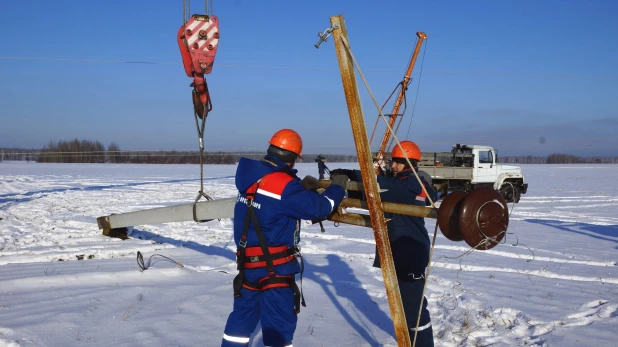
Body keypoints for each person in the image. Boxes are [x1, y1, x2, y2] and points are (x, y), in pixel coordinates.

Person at [221, 128, 348, 347]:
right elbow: (320, 207)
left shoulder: (249, 178)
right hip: (275, 271)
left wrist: (298, 190)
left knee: (239, 325)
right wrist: (337, 187)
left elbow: (271, 206)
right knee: (279, 331)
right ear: (292, 159)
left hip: (247, 269)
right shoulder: (283, 186)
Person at [331, 140, 438, 346]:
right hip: (401, 250)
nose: (393, 166)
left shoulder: (409, 184)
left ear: (406, 162)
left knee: (414, 309)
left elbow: (376, 184)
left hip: (409, 252)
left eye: (396, 162)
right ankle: (408, 340)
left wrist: (349, 174)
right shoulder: (411, 181)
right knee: (403, 304)